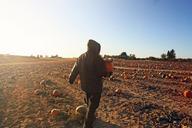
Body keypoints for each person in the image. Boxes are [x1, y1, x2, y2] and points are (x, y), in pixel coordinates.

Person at [69, 39, 107, 128]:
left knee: (89, 102)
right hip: (96, 87)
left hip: (85, 86)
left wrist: (71, 79)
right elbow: (103, 72)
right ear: (96, 48)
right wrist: (108, 72)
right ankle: (87, 125)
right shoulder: (98, 58)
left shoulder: (81, 57)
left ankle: (90, 117)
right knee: (93, 106)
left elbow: (75, 69)